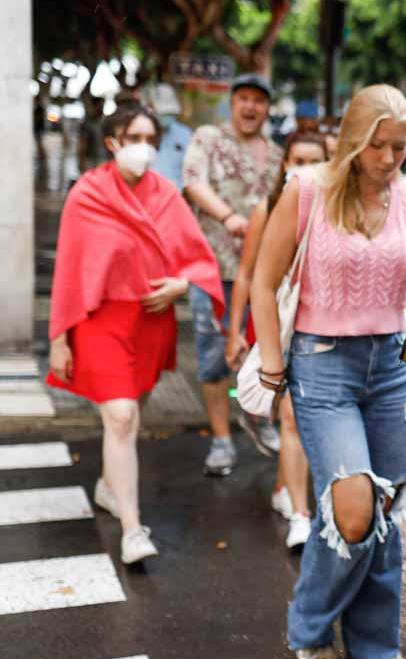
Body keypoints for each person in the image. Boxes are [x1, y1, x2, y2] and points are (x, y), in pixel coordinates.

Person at [251, 84, 406, 659]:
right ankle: (310, 623)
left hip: (395, 364)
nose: (388, 160)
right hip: (323, 362)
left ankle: (377, 646)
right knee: (353, 510)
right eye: (378, 146)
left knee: (386, 512)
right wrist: (273, 359)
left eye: (399, 148)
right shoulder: (308, 190)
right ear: (353, 140)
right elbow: (261, 280)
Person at [47, 106, 224, 565]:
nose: (144, 145)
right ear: (112, 142)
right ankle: (132, 529)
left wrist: (182, 285)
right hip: (101, 320)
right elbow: (68, 266)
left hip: (151, 319)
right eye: (134, 136)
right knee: (122, 417)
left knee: (132, 416)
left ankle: (109, 486)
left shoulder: (166, 194)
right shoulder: (86, 194)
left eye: (150, 136)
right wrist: (59, 338)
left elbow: (196, 255)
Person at [224, 133, 328, 549]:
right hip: (274, 324)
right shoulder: (266, 209)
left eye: (314, 160)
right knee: (289, 418)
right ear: (284, 162)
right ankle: (299, 510)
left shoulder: (332, 205)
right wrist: (235, 331)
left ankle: (288, 488)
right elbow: (248, 275)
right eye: (297, 159)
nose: (303, 167)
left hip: (315, 325)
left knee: (297, 418)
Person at [182, 73, 284, 476]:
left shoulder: (278, 155)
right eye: (243, 98)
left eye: (258, 101)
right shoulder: (209, 139)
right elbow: (192, 182)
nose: (250, 107)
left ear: (267, 109)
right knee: (213, 359)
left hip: (268, 275)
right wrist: (229, 217)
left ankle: (261, 421)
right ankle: (222, 440)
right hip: (214, 270)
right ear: (232, 102)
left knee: (266, 354)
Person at [147, 84, 192, 191]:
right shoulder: (143, 133)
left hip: (177, 196)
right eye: (163, 113)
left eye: (170, 113)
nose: (166, 117)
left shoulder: (185, 134)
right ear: (151, 109)